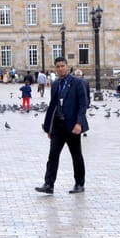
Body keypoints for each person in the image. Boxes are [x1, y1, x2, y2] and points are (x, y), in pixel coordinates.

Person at [35, 57, 89, 195]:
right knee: (53, 155)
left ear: (67, 66)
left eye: (62, 66)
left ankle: (79, 183)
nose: (60, 69)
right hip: (58, 125)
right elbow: (53, 105)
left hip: (72, 125)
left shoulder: (78, 82)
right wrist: (49, 127)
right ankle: (49, 184)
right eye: (57, 66)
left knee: (76, 156)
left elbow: (83, 104)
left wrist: (79, 123)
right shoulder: (55, 84)